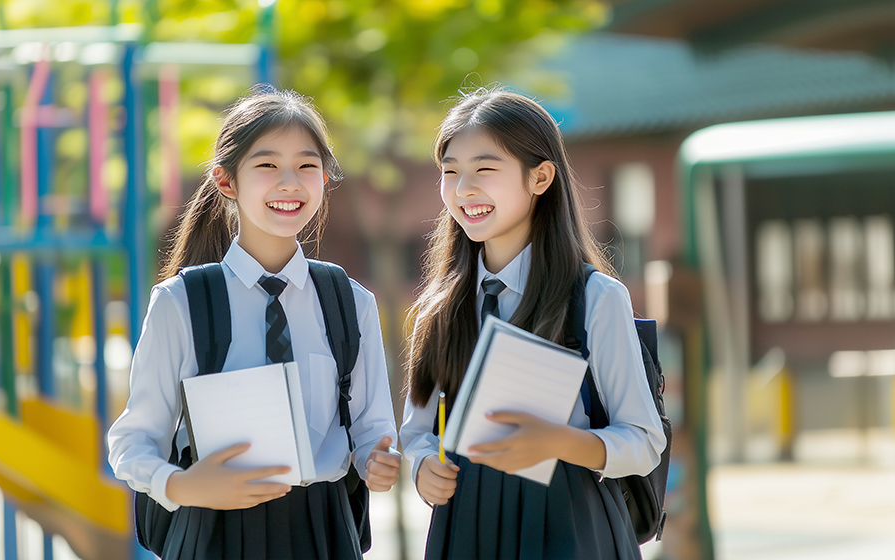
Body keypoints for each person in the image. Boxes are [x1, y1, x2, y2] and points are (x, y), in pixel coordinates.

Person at [108, 88, 400, 560]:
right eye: (267, 165)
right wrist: (182, 486)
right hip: (212, 531)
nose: (290, 183)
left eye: (307, 166)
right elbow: (133, 441)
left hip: (322, 532)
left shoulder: (350, 302)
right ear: (226, 182)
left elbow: (371, 429)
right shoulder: (180, 302)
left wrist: (378, 461)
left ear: (325, 178)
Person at [399, 87, 666, 560]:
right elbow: (418, 430)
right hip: (466, 527)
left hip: (571, 523)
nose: (463, 190)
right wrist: (422, 466)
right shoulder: (438, 308)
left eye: (484, 169)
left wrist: (559, 441)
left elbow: (644, 441)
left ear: (540, 177)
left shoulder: (594, 298)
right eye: (450, 172)